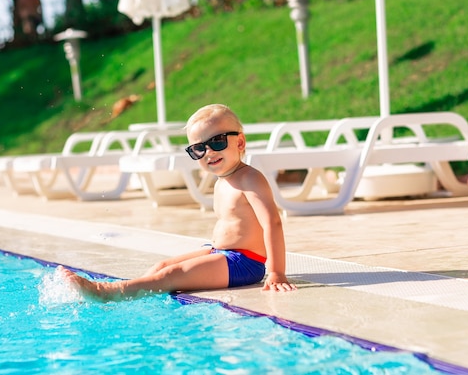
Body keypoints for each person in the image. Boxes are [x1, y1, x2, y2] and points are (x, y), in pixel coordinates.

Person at [58, 104, 297, 301]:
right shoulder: (223, 179)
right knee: (163, 266)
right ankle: (134, 292)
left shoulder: (250, 178)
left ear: (240, 143)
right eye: (199, 148)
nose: (209, 153)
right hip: (221, 253)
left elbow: (272, 223)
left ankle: (107, 293)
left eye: (217, 142)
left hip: (245, 263)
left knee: (173, 273)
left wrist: (276, 272)